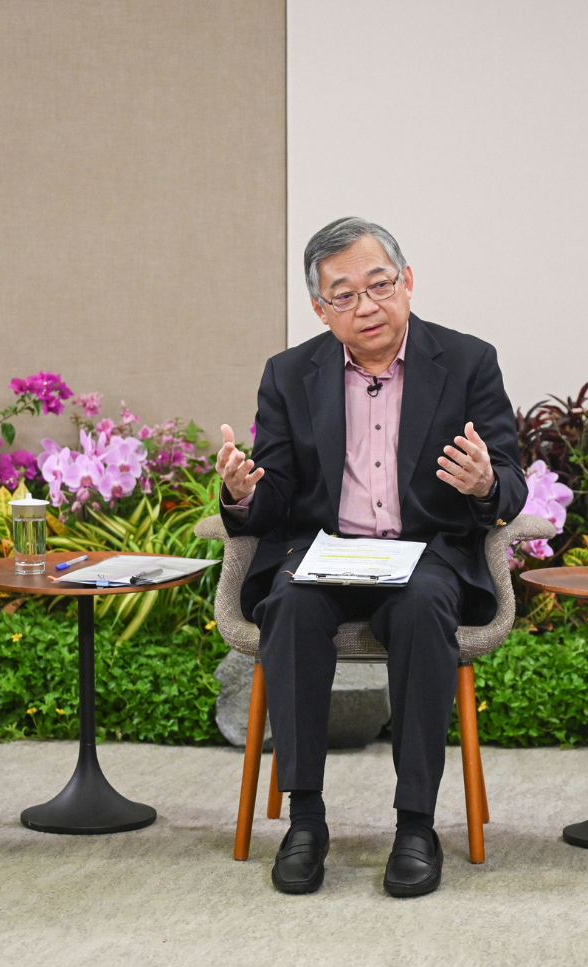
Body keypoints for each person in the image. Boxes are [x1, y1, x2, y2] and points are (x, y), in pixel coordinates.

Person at [216, 217, 526, 897]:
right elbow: (274, 499)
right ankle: (305, 819)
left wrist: (485, 483)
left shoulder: (468, 361)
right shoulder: (290, 374)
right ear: (321, 309)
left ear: (407, 282)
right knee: (291, 607)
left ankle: (415, 823)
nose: (368, 307)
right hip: (326, 553)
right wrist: (242, 495)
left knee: (420, 610)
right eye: (345, 295)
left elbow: (510, 477)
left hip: (426, 555)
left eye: (379, 285)